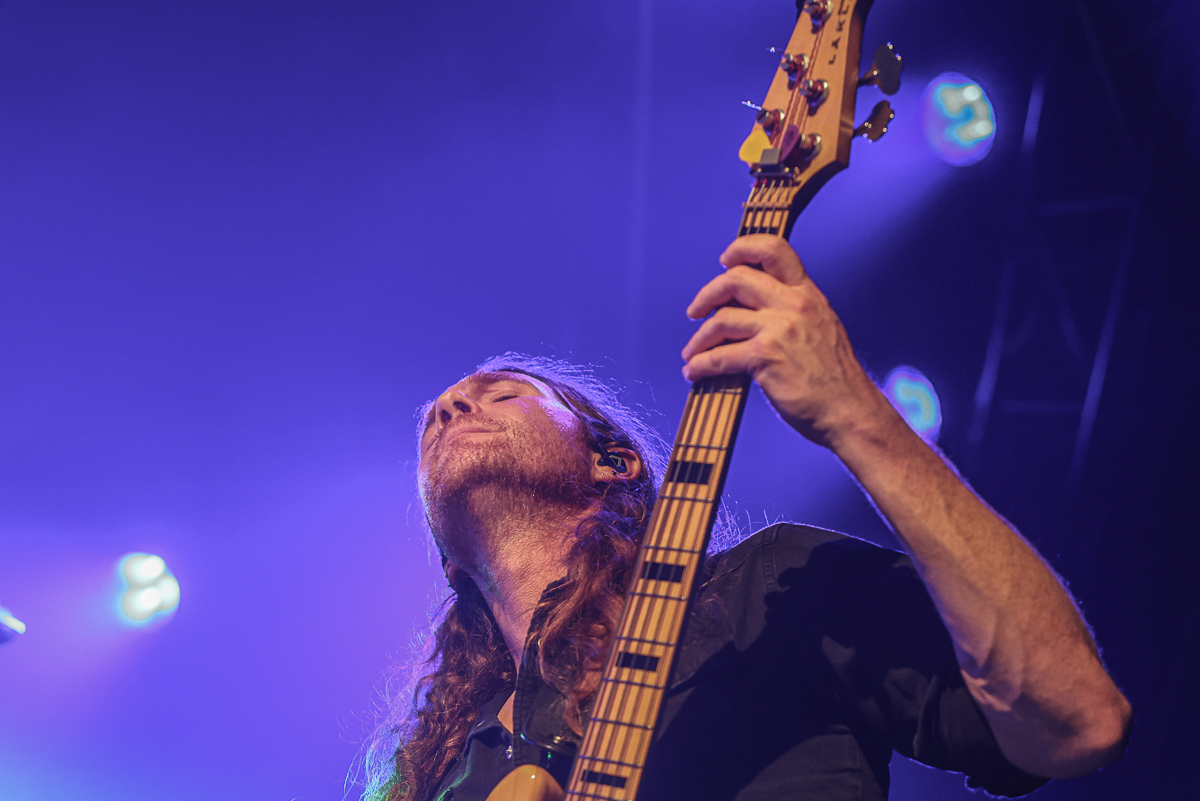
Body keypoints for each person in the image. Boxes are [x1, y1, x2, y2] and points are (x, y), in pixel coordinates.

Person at [362, 235, 1131, 801]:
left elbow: (1077, 718)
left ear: (614, 461)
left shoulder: (767, 593)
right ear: (447, 560)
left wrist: (855, 413)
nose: (451, 404)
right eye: (433, 419)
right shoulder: (445, 776)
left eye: (502, 393)